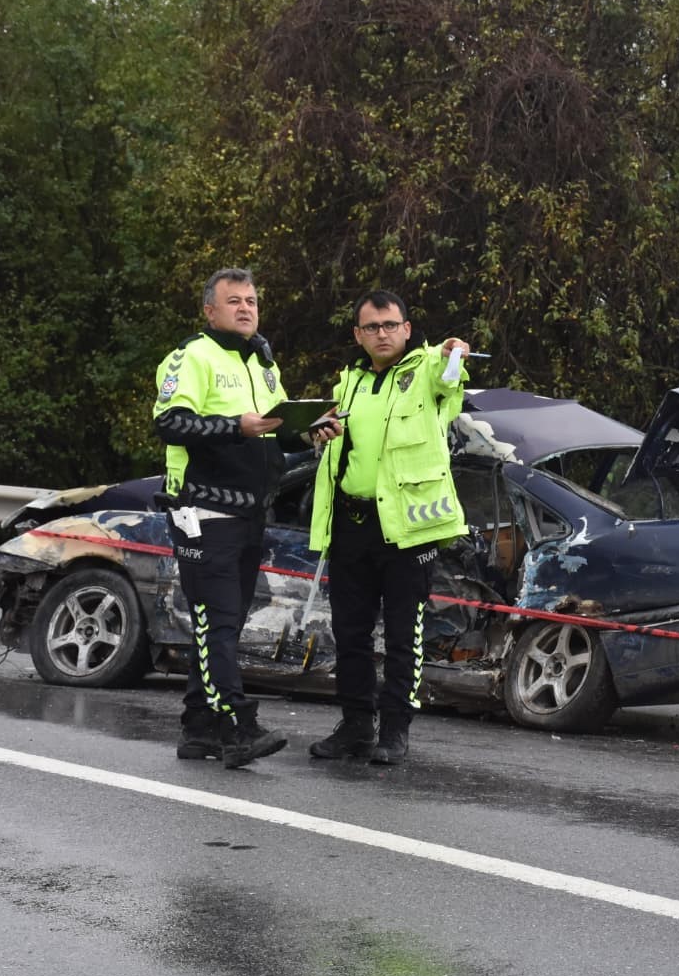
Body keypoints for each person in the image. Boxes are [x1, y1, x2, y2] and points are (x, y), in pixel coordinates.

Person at [153, 267, 340, 768]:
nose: (245, 308)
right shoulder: (192, 355)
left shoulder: (262, 361)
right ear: (209, 310)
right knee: (216, 620)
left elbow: (272, 430)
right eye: (233, 300)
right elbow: (170, 423)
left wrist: (310, 432)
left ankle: (198, 729)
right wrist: (236, 426)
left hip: (251, 510)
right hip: (202, 508)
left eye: (251, 301)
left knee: (226, 624)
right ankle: (238, 726)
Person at [306, 289, 471, 764]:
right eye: (372, 327)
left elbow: (448, 380)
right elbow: (339, 447)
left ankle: (395, 729)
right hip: (351, 522)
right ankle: (356, 724)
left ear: (406, 328)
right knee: (349, 632)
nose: (382, 334)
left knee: (404, 634)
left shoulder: (426, 370)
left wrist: (453, 355)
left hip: (406, 528)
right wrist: (320, 433)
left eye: (390, 325)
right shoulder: (350, 383)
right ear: (358, 335)